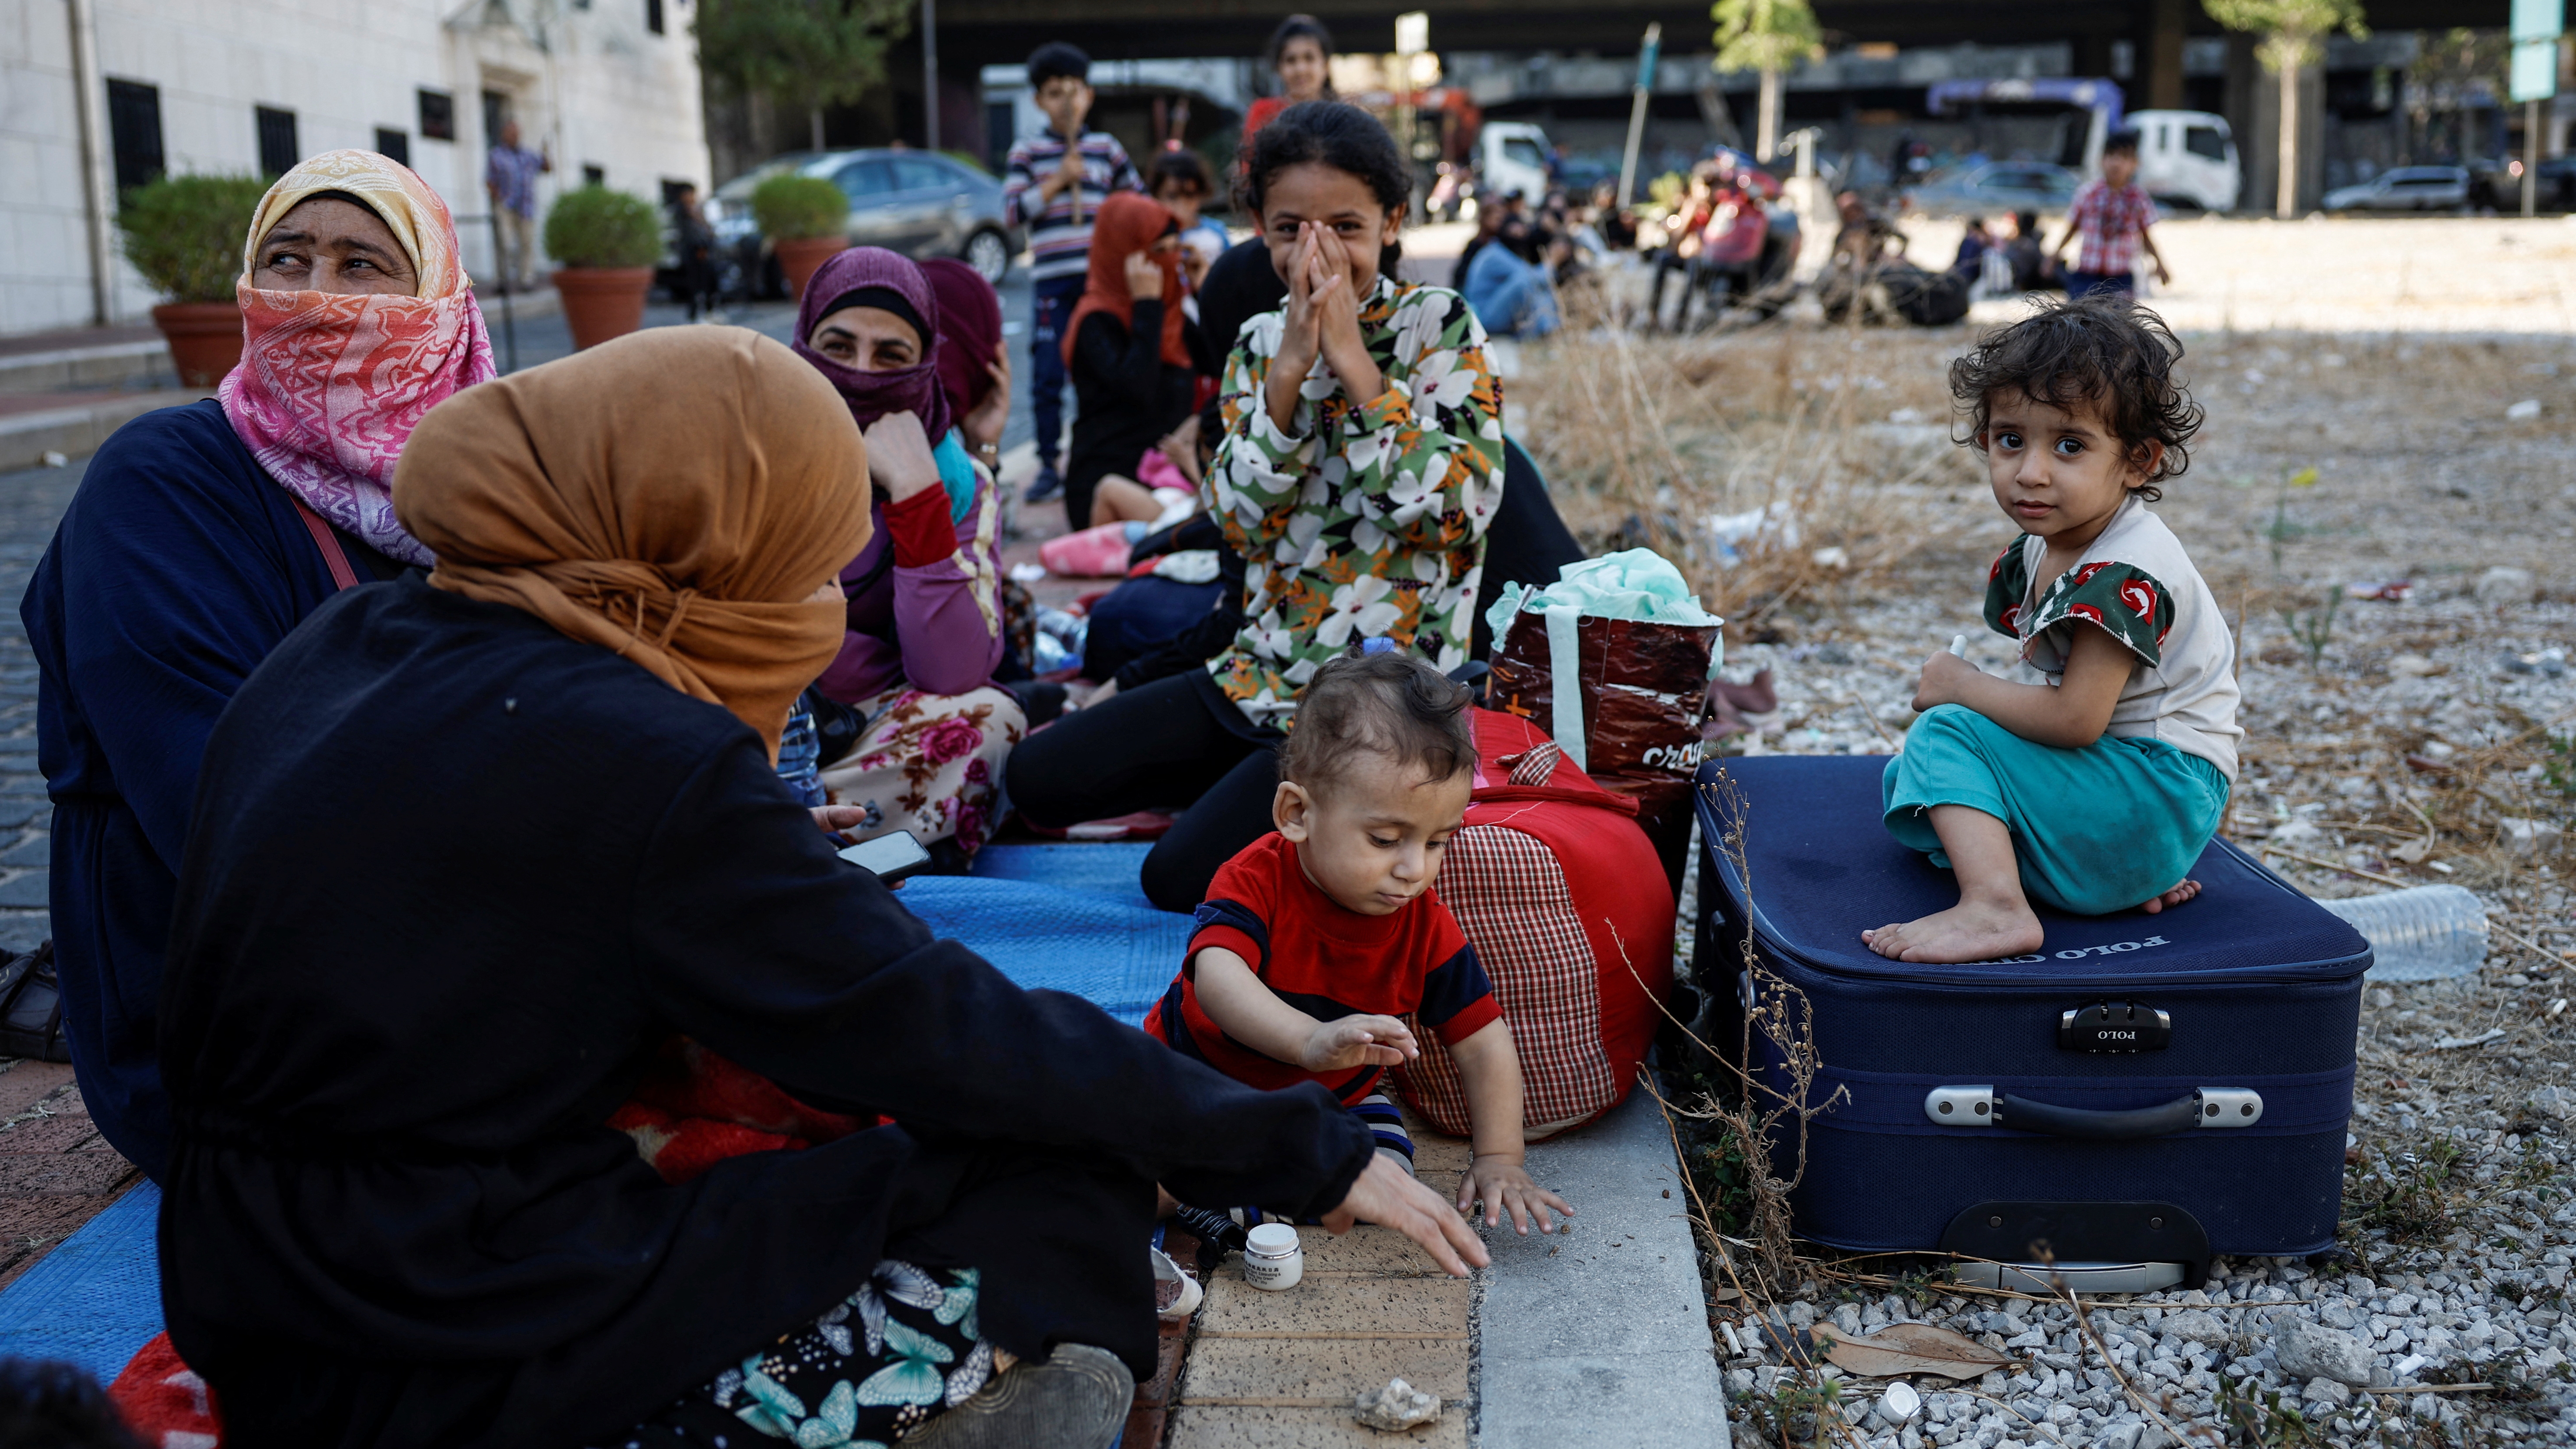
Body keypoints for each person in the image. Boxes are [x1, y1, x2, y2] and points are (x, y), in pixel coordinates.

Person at [151, 327, 1486, 1448]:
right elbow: (941, 1026)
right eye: (798, 561)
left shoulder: (350, 638)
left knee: (828, 1110)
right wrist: (1297, 1148)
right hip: (424, 1324)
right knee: (1051, 1193)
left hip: (235, 1266)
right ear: (704, 541)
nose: (809, 606)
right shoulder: (637, 753)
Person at [20, 149, 493, 1183]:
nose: (315, 297)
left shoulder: (482, 489)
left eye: (363, 265)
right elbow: (221, 808)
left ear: (442, 301)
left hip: (462, 943)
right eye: (286, 258)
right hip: (237, 1018)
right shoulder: (162, 484)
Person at [1007, 101, 1504, 913]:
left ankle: (1250, 800)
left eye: (1345, 224)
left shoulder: (1439, 326)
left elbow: (1453, 515)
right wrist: (1288, 375)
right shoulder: (1258, 342)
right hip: (1258, 669)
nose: (1316, 251)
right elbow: (1240, 522)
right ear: (1258, 229)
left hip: (1372, 703)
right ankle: (1235, 788)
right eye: (1288, 228)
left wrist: (1353, 366)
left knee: (1177, 879)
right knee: (1037, 779)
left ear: (1394, 220)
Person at [1145, 652, 1573, 1236]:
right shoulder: (1255, 878)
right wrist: (1308, 1039)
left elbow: (1482, 1042)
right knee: (1131, 1162)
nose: (1412, 869)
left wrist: (1500, 1158)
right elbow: (1218, 978)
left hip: (1333, 1102)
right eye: (1384, 839)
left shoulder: (1423, 922)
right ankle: (1209, 1188)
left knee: (1385, 1173)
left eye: (1437, 842)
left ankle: (1220, 1193)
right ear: (1296, 813)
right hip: (1197, 1078)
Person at [1866, 299, 2237, 965]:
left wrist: (1962, 687)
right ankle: (2105, 881)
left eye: (2069, 446)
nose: (2030, 471)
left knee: (1944, 734)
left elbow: (2073, 721)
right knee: (1910, 785)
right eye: (2011, 439)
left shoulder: (2121, 573)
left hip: (2152, 796)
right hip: (2137, 811)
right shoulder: (2051, 540)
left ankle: (1995, 909)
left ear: (2137, 462)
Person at [788, 247, 1023, 861]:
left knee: (991, 721)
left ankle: (772, 830)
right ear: (802, 345)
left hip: (863, 729)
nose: (862, 373)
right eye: (838, 348)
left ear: (925, 367)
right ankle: (804, 831)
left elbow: (950, 673)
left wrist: (916, 499)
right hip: (743, 713)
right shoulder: (750, 447)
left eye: (891, 356)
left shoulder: (955, 482)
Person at [1001, 42, 1142, 507]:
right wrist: (1060, 179)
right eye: (1054, 92)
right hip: (1052, 284)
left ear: (1089, 96)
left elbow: (1135, 204)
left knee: (1101, 372)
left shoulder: (1105, 149)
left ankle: (1101, 455)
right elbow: (1012, 213)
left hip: (1100, 283)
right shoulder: (1028, 152)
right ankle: (1047, 464)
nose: (1066, 101)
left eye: (1074, 91)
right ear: (1040, 100)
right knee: (1047, 376)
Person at [1062, 192, 1216, 529]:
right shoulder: (1096, 321)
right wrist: (1146, 306)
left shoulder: (1173, 318)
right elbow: (1137, 390)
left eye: (1175, 249)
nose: (1169, 262)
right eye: (1157, 253)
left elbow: (1222, 364)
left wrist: (1203, 289)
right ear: (1124, 257)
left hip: (1169, 482)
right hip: (1107, 487)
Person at [2050, 131, 2169, 301]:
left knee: (2118, 324)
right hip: (2086, 275)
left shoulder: (2138, 198)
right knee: (2080, 321)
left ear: (2135, 164)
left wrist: (2160, 264)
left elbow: (2145, 235)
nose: (2116, 163)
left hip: (2121, 277)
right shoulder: (2088, 194)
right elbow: (2072, 228)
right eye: (2111, 156)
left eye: (2124, 157)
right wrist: (2053, 257)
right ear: (2102, 160)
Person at [1239, 15, 1334, 150]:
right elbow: (1249, 165)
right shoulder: (1263, 113)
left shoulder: (1341, 115)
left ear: (1326, 65)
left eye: (1309, 58)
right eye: (1291, 60)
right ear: (1278, 67)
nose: (1300, 70)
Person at [483, 119, 550, 292]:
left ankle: (526, 280)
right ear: (504, 135)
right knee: (504, 244)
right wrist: (498, 200)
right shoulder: (496, 155)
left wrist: (546, 153)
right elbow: (490, 181)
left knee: (527, 243)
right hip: (506, 206)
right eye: (510, 133)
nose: (514, 136)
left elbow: (546, 168)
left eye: (516, 133)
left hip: (526, 207)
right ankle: (502, 281)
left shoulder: (528, 155)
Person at [1150, 147, 1228, 284]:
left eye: (1189, 195)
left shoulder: (1216, 233)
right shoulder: (1154, 239)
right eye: (1172, 196)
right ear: (1157, 196)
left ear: (1202, 193)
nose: (1182, 205)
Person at [667, 180, 720, 320]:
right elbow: (689, 234)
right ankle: (695, 313)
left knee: (709, 282)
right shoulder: (682, 211)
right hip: (694, 251)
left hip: (704, 251)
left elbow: (707, 229)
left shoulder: (698, 209)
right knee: (695, 284)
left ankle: (709, 310)